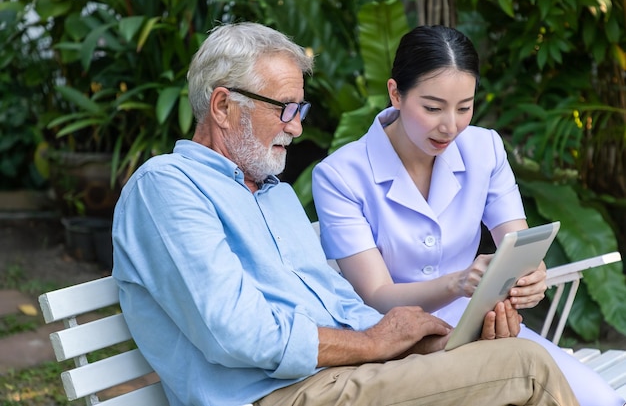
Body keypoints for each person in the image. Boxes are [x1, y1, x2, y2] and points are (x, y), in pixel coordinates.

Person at [111, 21, 579, 406]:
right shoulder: (167, 186)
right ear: (223, 106)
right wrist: (377, 343)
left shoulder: (272, 195)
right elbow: (239, 334)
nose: (296, 127)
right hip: (274, 394)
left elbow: (342, 306)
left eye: (301, 108)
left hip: (342, 377)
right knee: (529, 369)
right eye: (285, 109)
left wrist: (438, 340)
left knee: (506, 352)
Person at [312, 25, 625, 406]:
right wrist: (457, 283)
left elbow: (518, 243)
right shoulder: (340, 175)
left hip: (482, 323)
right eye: (432, 108)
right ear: (395, 93)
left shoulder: (485, 148)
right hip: (397, 341)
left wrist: (530, 277)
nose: (451, 126)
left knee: (598, 400)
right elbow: (377, 296)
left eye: (464, 107)